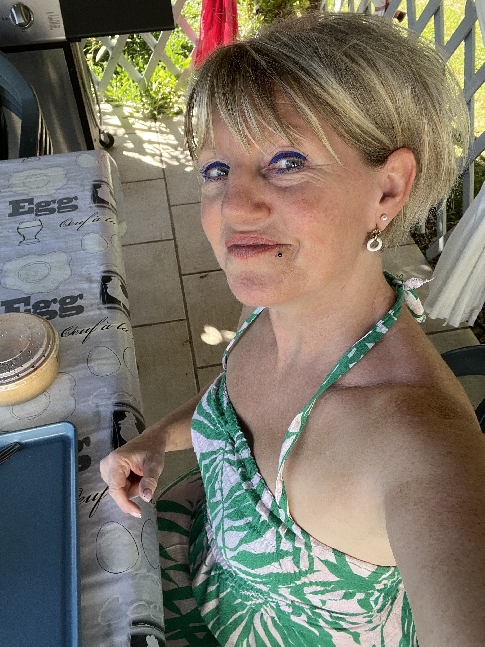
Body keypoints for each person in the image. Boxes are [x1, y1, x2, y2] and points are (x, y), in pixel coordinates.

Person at [100, 12, 485, 646]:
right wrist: (160, 437)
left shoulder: (419, 445)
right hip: (199, 570)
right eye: (217, 170)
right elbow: (238, 400)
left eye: (287, 161)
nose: (233, 205)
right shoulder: (275, 306)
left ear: (388, 191)